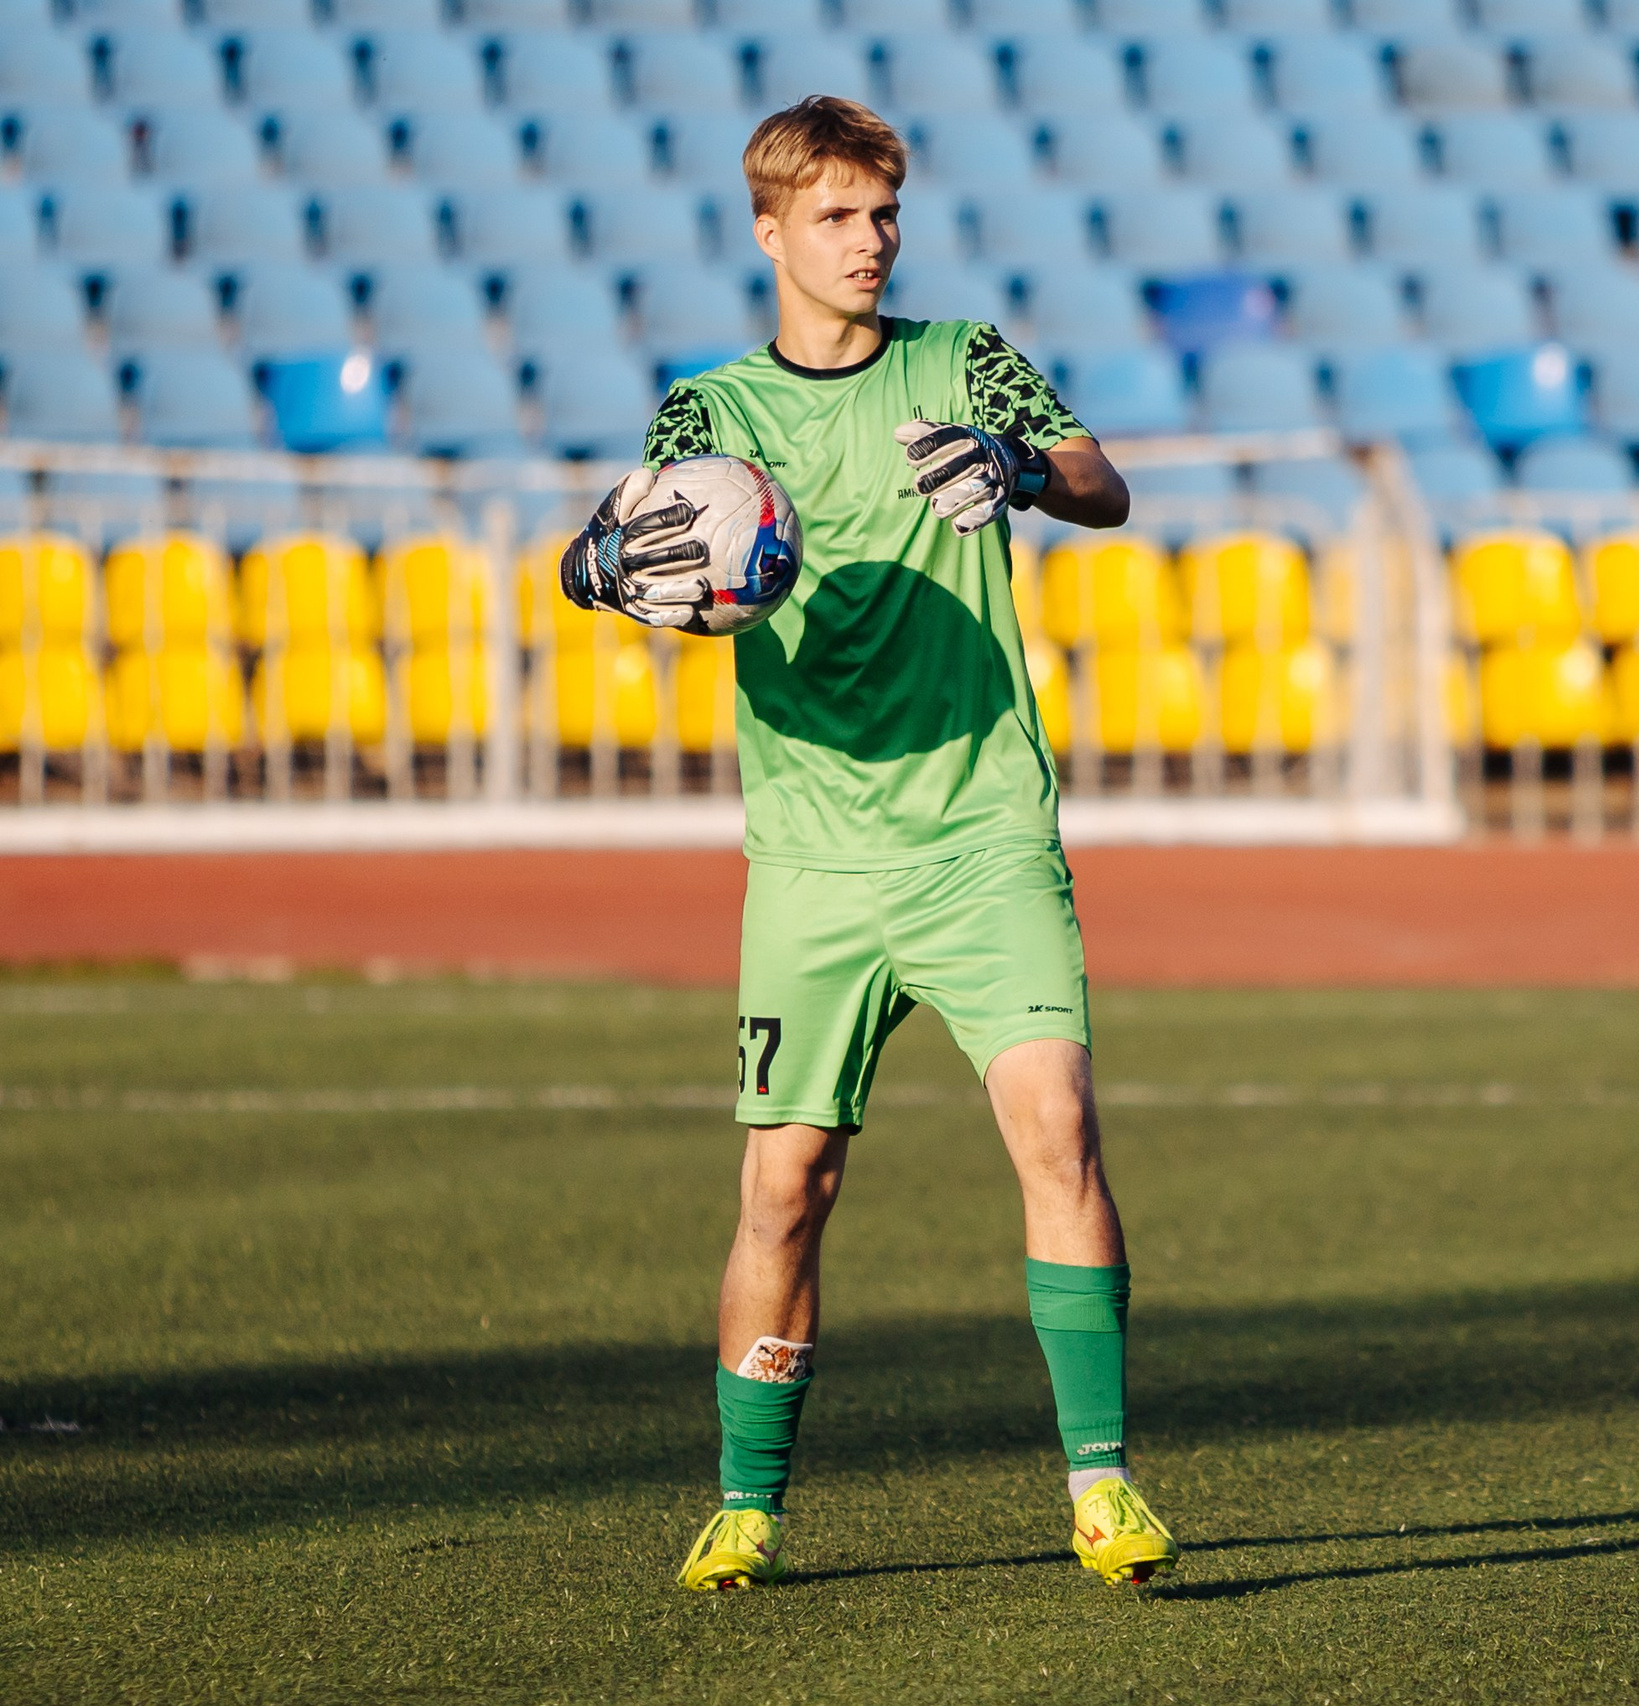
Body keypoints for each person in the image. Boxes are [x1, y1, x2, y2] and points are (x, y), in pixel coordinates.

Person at [563, 95, 1176, 1593]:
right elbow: (621, 541)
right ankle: (748, 1502)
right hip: (817, 860)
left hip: (981, 833)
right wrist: (590, 562)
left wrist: (1023, 471)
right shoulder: (709, 413)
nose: (868, 240)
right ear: (770, 230)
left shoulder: (960, 362)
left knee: (1059, 1128)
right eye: (835, 216)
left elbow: (1105, 484)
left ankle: (1102, 1487)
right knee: (786, 1184)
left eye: (883, 213)